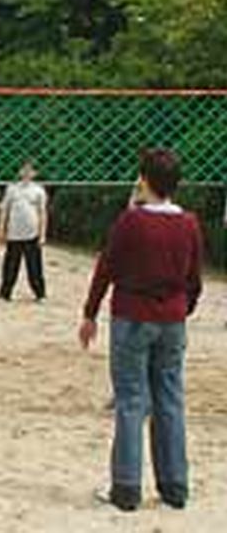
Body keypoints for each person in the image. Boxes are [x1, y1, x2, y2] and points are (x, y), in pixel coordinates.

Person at [79, 149, 202, 512]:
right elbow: (194, 279)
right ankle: (174, 487)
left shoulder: (132, 222)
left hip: (133, 316)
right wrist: (180, 309)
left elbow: (107, 268)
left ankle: (127, 489)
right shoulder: (189, 223)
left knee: (132, 401)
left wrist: (90, 313)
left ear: (143, 179)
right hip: (172, 321)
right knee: (170, 399)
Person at [0, 160, 48, 302]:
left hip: (32, 234)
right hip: (14, 233)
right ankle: (5, 293)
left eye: (30, 170)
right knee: (10, 265)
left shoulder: (39, 190)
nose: (26, 173)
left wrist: (42, 234)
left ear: (34, 173)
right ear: (19, 172)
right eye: (24, 170)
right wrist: (2, 229)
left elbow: (42, 213)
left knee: (34, 266)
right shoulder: (11, 189)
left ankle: (40, 294)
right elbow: (4, 210)